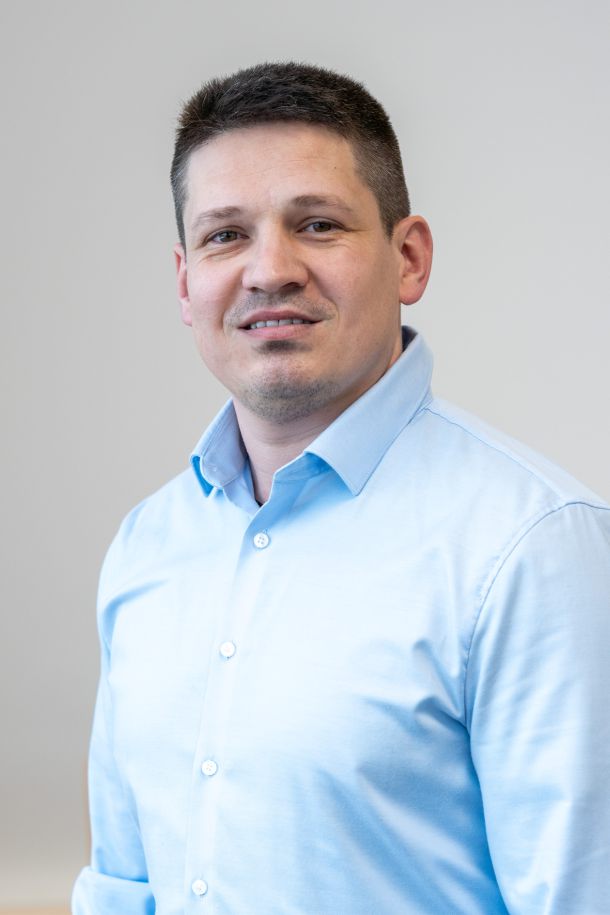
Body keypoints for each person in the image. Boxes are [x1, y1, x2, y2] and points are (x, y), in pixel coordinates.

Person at [72, 62, 610, 914]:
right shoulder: (147, 546)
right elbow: (122, 886)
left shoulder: (534, 548)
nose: (269, 270)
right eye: (225, 236)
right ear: (184, 282)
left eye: (317, 224)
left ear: (408, 258)